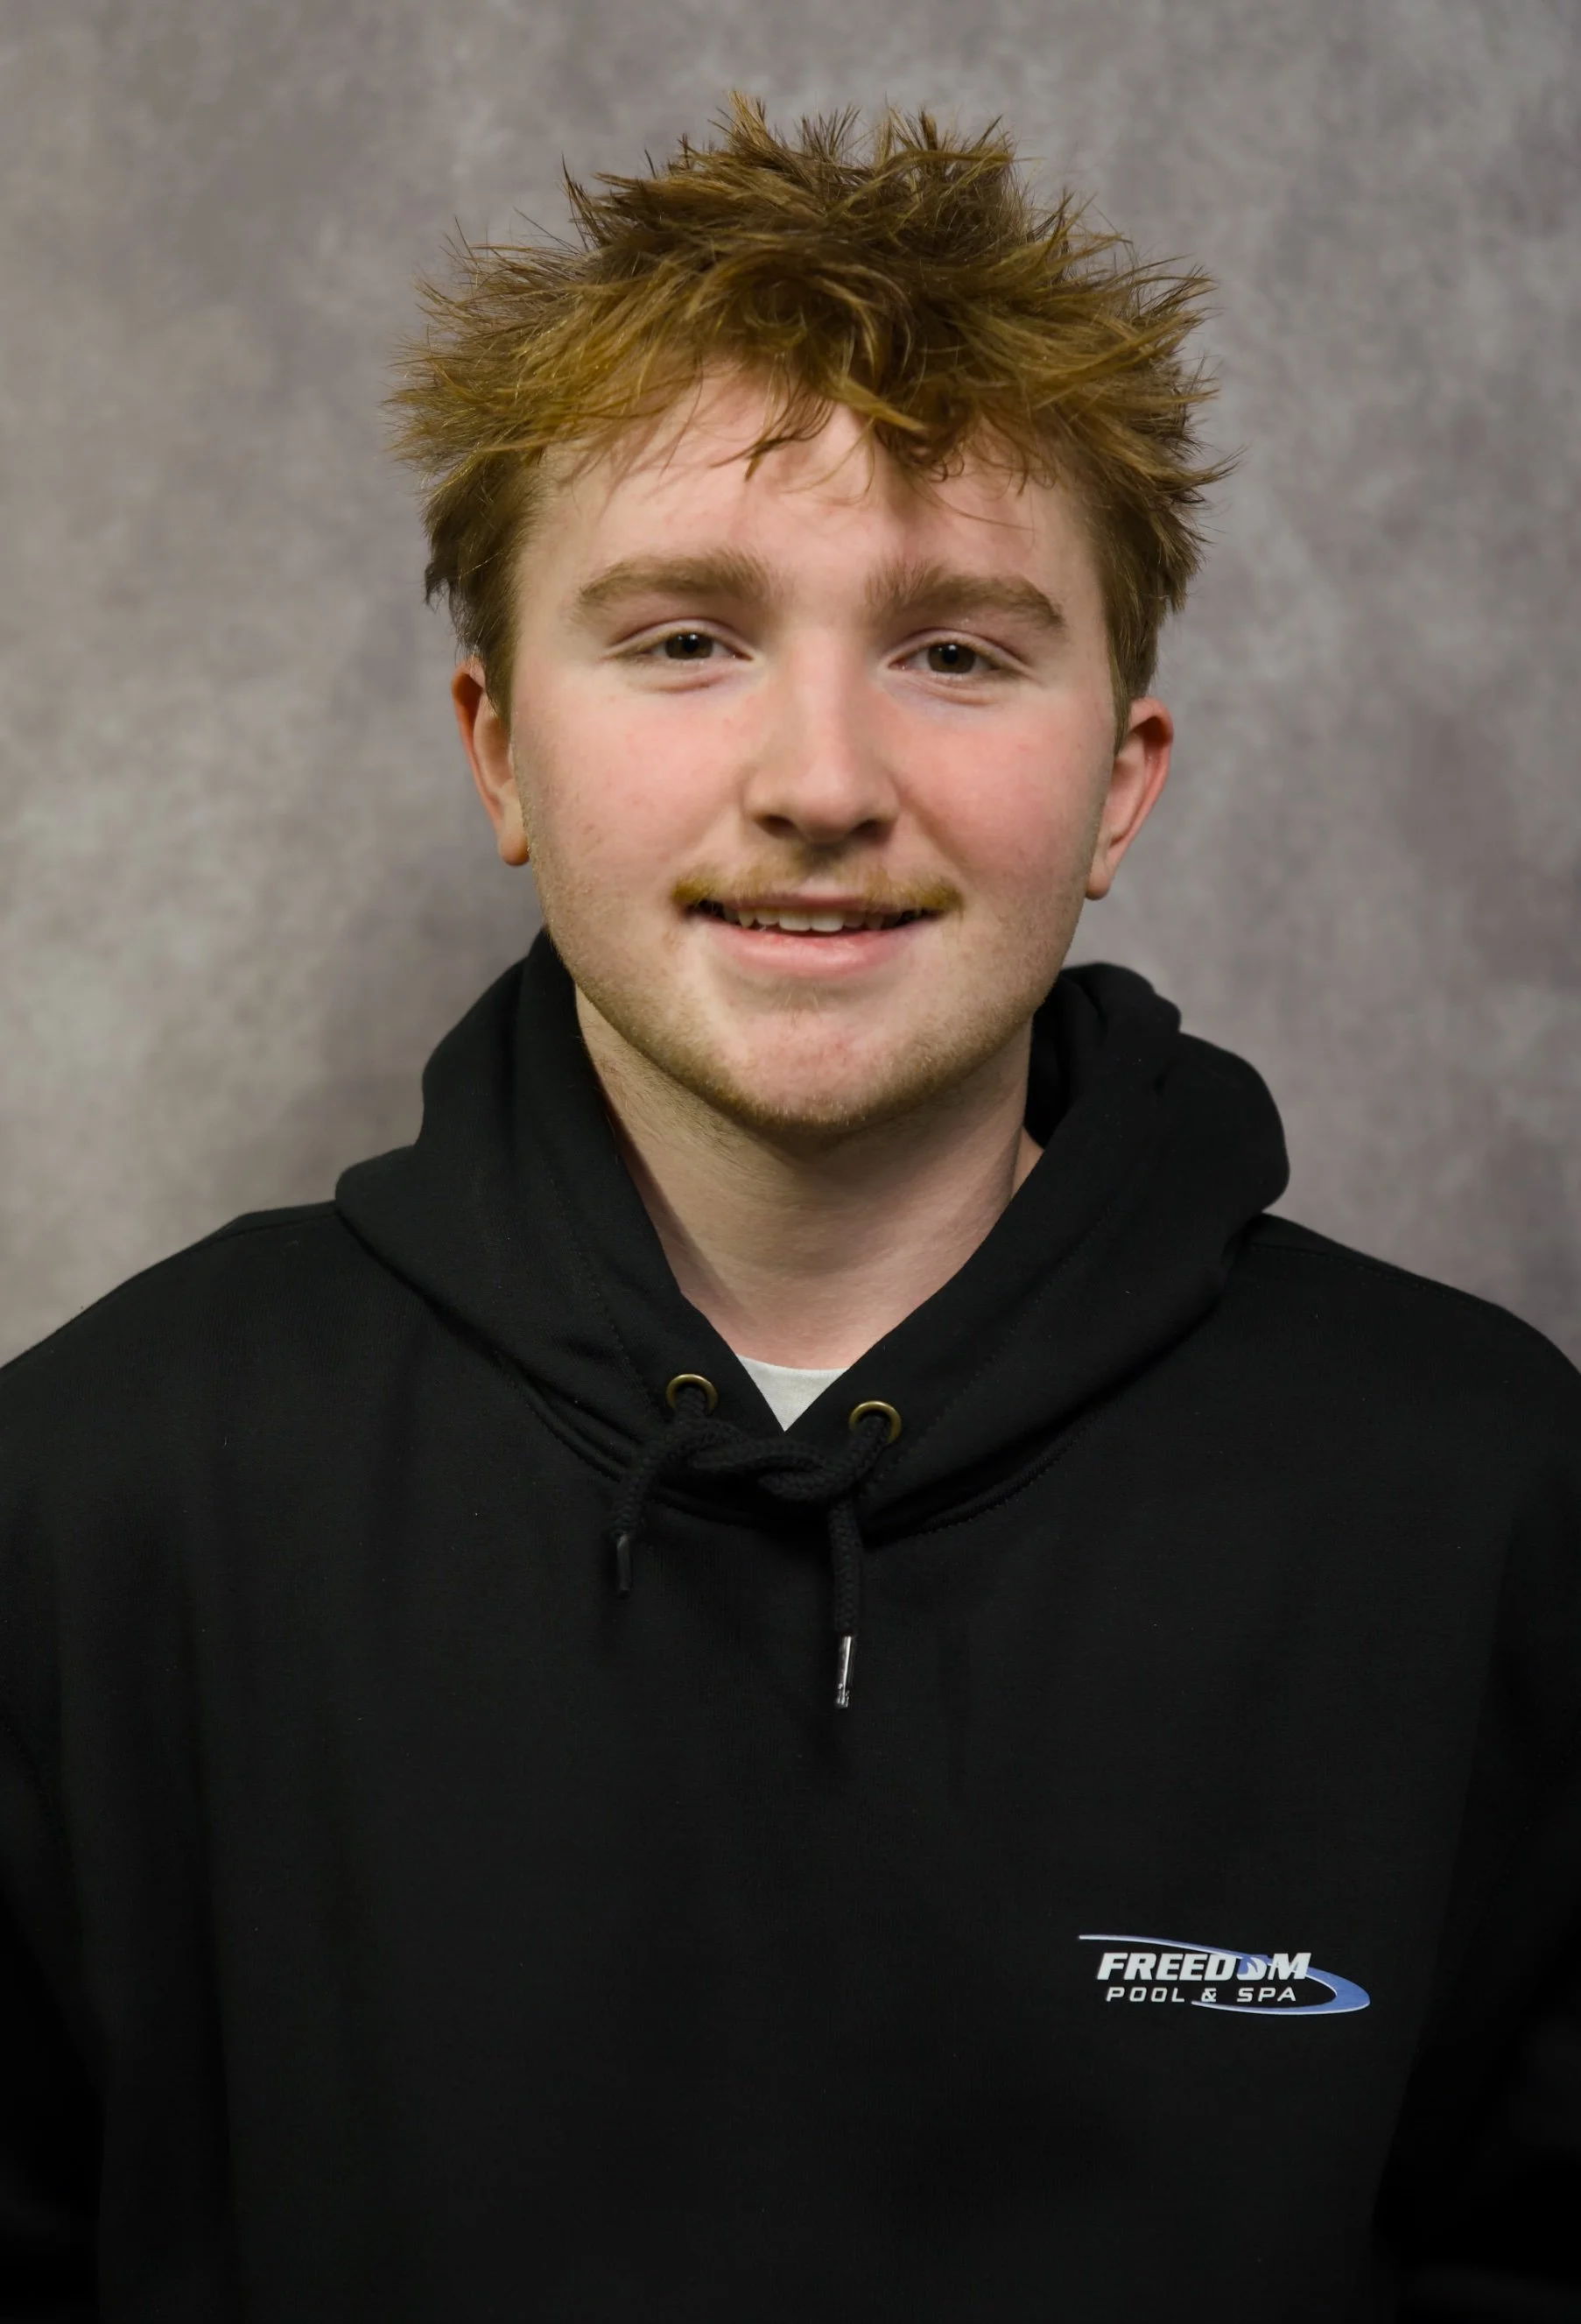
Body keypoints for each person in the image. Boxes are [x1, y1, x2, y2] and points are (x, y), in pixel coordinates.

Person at [0, 92, 1577, 2324]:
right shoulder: (93, 1501)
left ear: (1121, 776)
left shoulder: (1486, 1497)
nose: (823, 782)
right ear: (497, 753)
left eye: (957, 649)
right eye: (682, 638)